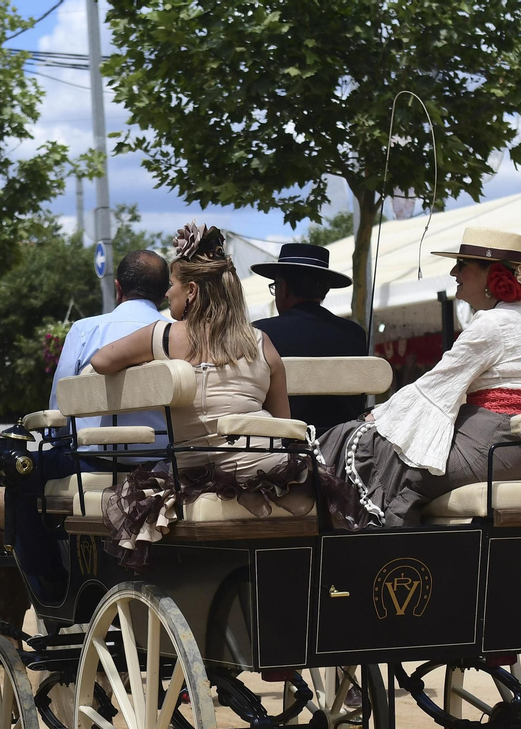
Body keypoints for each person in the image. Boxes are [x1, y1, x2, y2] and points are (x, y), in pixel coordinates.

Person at [91, 224, 339, 564]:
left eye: (172, 287)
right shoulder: (261, 342)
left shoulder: (163, 336)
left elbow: (101, 360)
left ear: (191, 290)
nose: (167, 295)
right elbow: (284, 426)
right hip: (273, 469)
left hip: (200, 467)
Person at [319, 227, 521, 527]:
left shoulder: (494, 323)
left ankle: (396, 556)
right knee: (384, 448)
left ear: (489, 275)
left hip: (492, 445)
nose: (454, 271)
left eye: (462, 265)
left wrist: (378, 415)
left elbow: (438, 384)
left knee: (381, 452)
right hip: (512, 448)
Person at [50, 249, 171, 447]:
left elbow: (59, 406)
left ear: (118, 288)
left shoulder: (84, 331)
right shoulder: (174, 335)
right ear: (164, 294)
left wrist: (58, 441)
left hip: (88, 462)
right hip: (162, 463)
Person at [250, 243, 368, 433]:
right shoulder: (355, 334)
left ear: (284, 288)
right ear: (325, 290)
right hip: (344, 449)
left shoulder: (259, 333)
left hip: (282, 448)